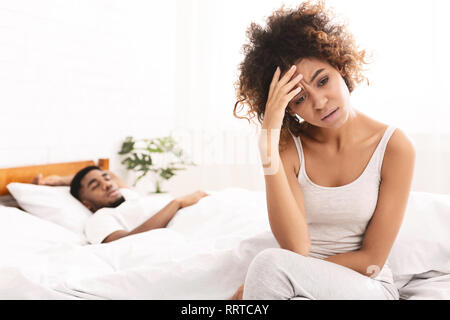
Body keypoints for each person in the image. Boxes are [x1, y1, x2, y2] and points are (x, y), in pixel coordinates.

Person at [231, 1, 415, 300]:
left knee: (267, 265)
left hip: (366, 287)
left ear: (341, 66)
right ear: (288, 108)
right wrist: (268, 145)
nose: (318, 102)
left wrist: (288, 275)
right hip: (298, 283)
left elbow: (372, 260)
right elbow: (297, 247)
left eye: (323, 80)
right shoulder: (289, 148)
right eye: (299, 98)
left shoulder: (394, 146)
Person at [33, 166, 209, 244]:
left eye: (106, 179)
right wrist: (176, 203)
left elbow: (109, 173)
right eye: (95, 186)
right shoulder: (100, 218)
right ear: (86, 204)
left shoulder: (127, 195)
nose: (107, 184)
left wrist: (59, 180)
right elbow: (126, 242)